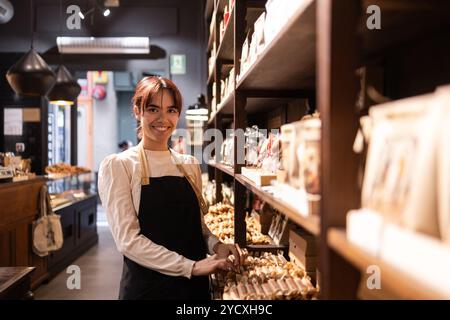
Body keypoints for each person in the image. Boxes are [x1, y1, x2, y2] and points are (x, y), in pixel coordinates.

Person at [98, 76, 244, 300]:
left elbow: (197, 227)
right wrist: (191, 267)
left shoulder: (189, 165)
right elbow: (129, 241)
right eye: (153, 109)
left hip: (193, 289)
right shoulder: (120, 166)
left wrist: (217, 246)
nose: (163, 119)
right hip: (148, 289)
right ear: (138, 110)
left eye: (171, 110)